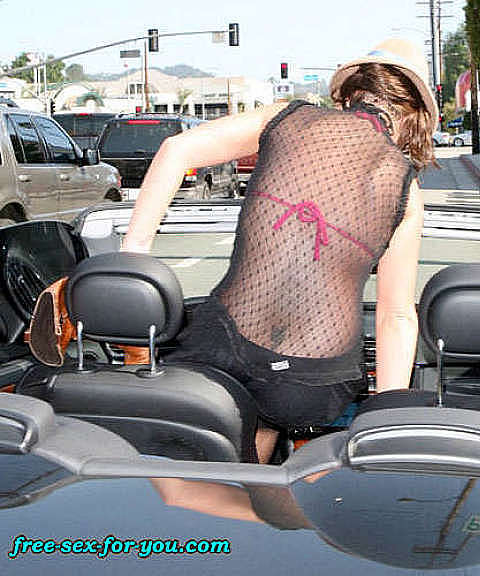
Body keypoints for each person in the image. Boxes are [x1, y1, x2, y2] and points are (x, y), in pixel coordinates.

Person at [122, 39, 438, 463]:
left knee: (204, 457)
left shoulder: (287, 118)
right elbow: (395, 316)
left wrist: (133, 256)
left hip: (224, 343)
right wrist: (385, 412)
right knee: (270, 422)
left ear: (348, 95)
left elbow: (175, 150)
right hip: (315, 374)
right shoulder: (404, 188)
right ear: (412, 115)